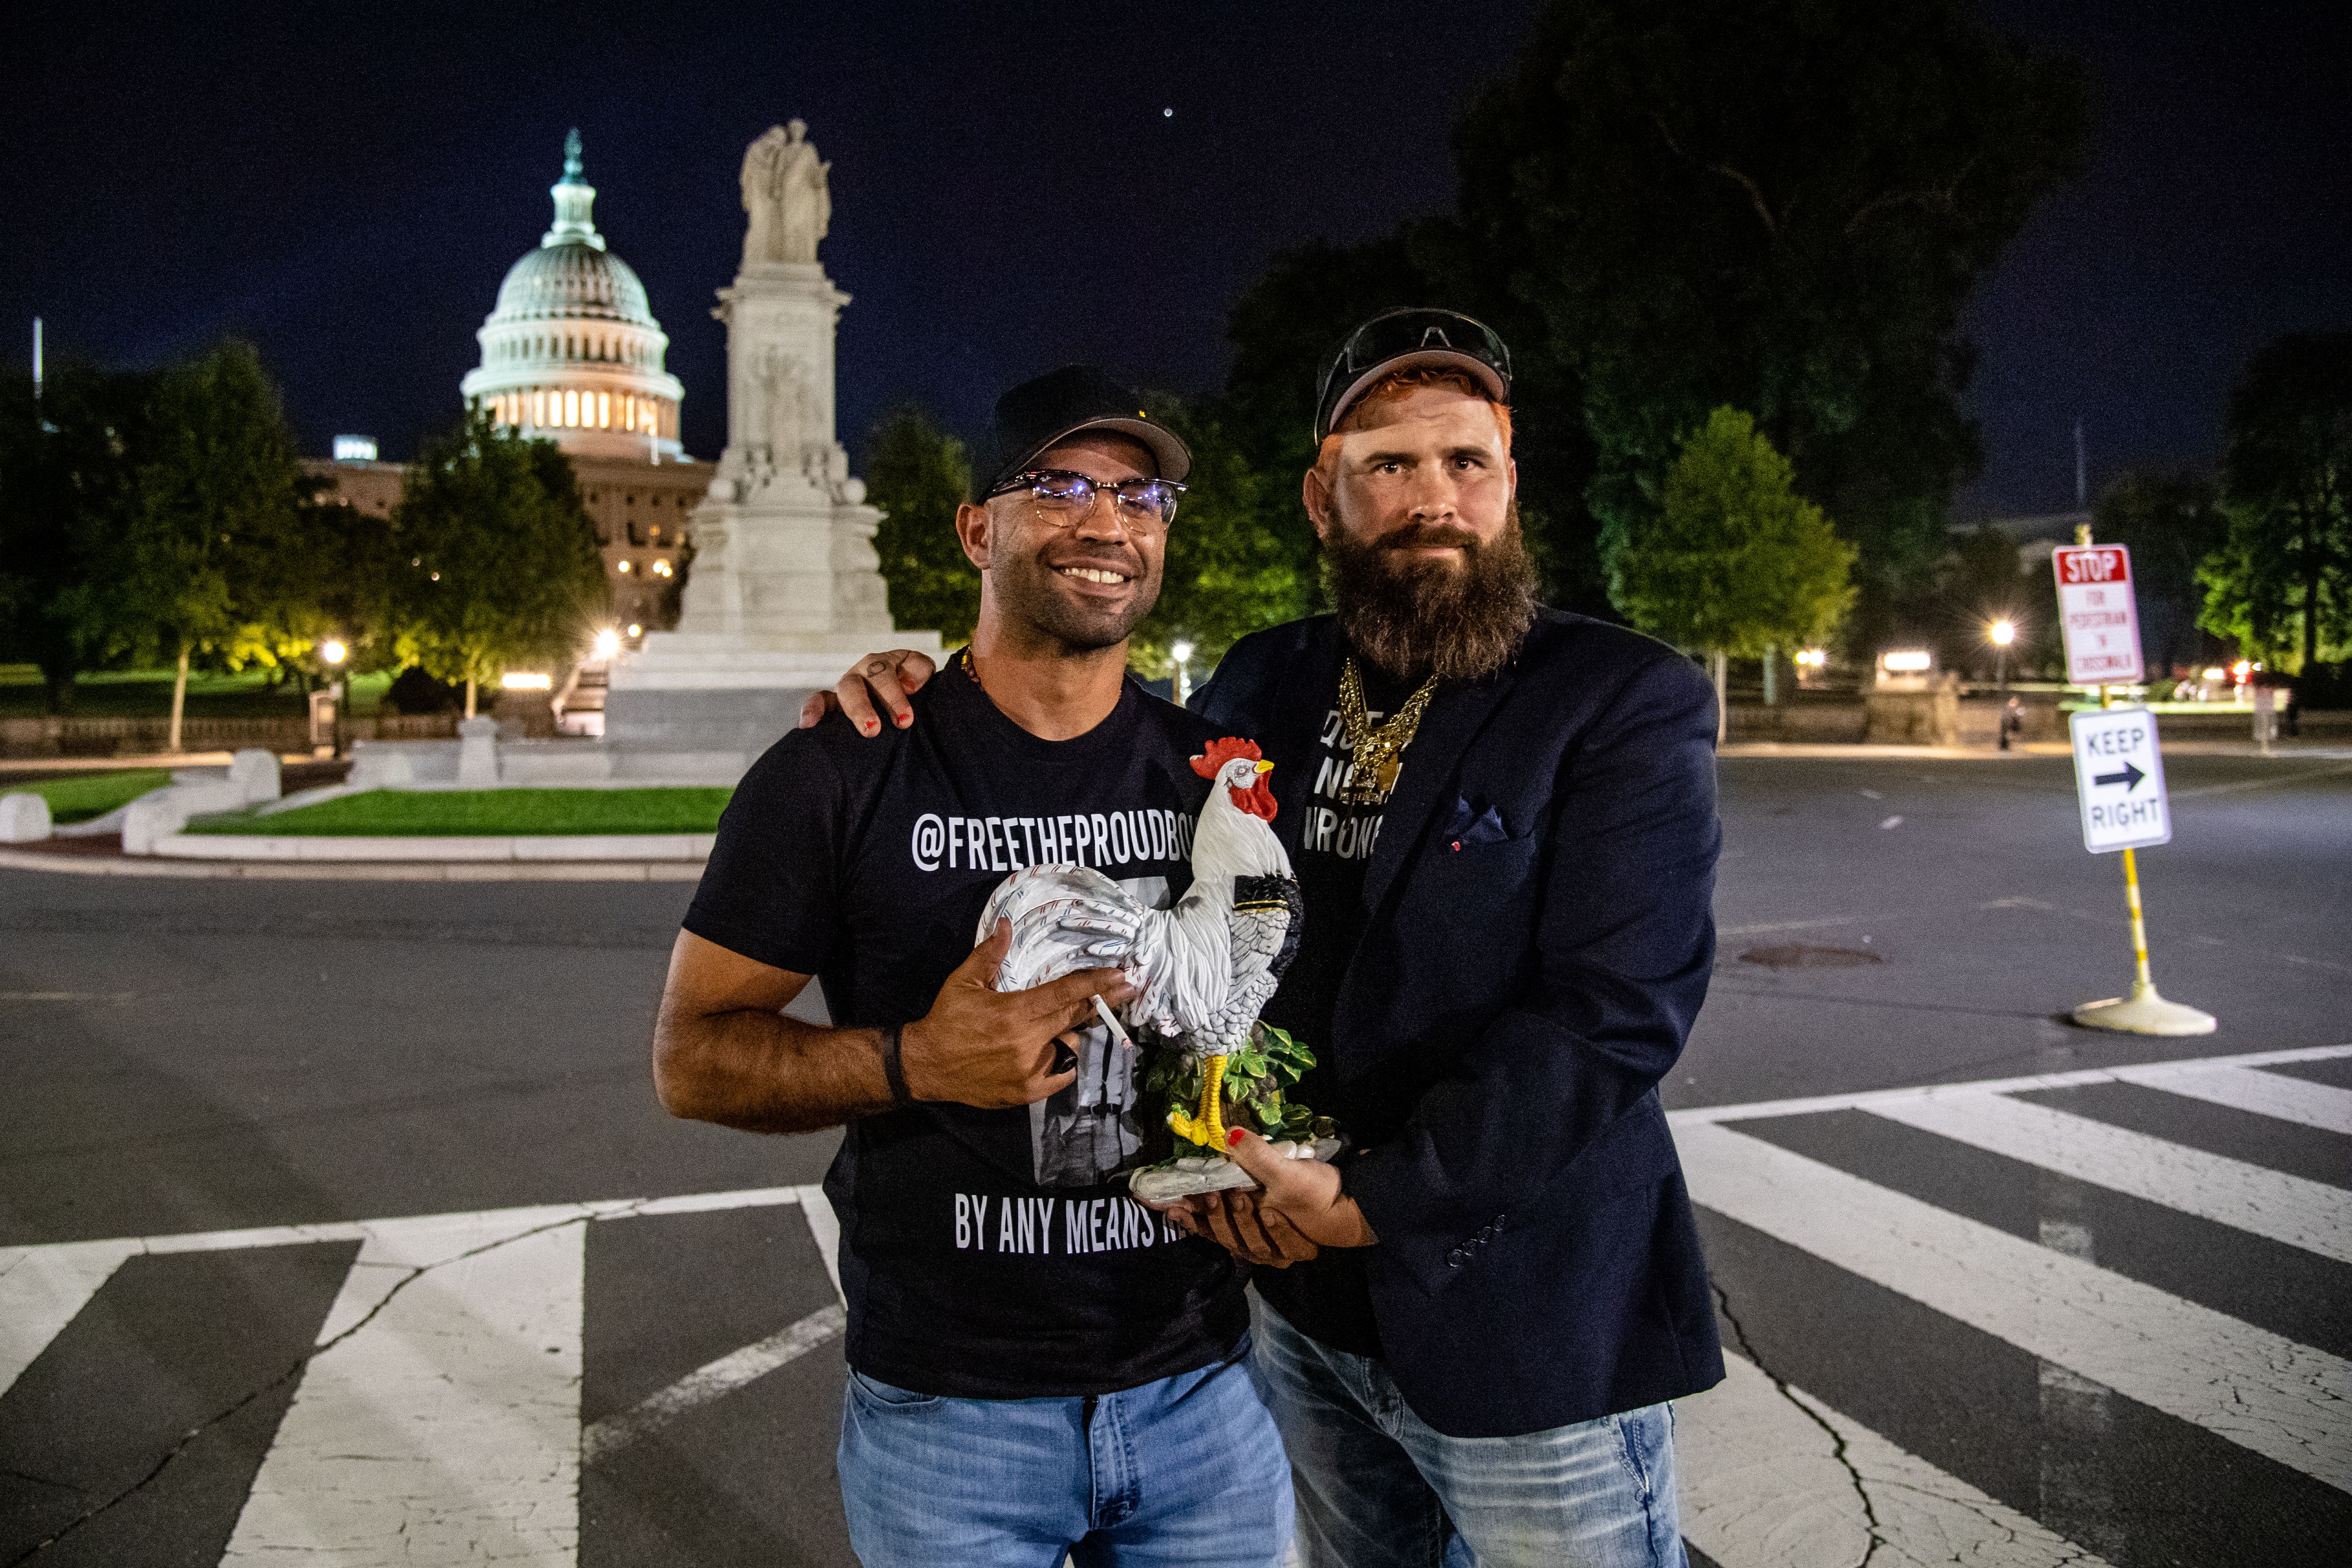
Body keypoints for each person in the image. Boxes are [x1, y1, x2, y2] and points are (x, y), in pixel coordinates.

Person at [809, 310, 1725, 1568]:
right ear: (1323, 495)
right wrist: (924, 689)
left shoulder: (1619, 696)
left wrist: (1372, 1199)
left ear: (1512, 481)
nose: (1431, 501)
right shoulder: (1267, 681)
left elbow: (1614, 1010)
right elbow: (1104, 772)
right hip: (1297, 1310)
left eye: (1466, 462)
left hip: (1526, 1314)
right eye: (1387, 466)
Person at [656, 365, 1291, 1568]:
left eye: (1142, 495)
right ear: (974, 528)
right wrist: (916, 1061)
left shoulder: (1211, 767)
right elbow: (691, 1058)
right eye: (1060, 485)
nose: (1108, 521)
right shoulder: (842, 769)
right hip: (950, 1418)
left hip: (1204, 1394)